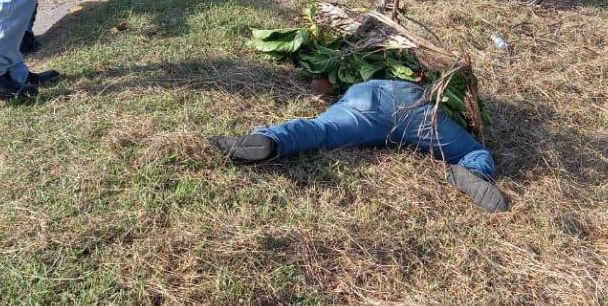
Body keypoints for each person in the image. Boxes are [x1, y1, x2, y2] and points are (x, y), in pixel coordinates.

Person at [209, 79, 509, 212]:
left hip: (361, 98)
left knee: (320, 129)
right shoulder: (425, 78)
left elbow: (322, 87)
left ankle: (272, 139)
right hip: (413, 104)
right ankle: (472, 172)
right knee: (474, 151)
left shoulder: (352, 79)